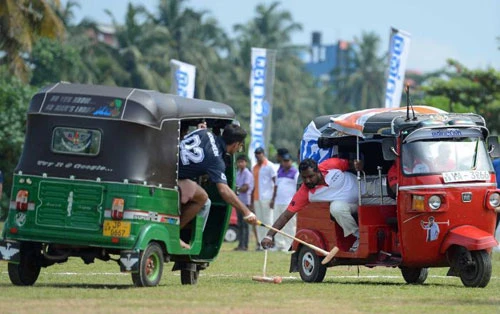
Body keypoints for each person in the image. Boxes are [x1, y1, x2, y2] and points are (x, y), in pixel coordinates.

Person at [178, 124, 257, 248]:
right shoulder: (217, 161)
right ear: (236, 144)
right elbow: (224, 190)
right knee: (203, 198)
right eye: (240, 146)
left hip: (165, 168)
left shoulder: (204, 132)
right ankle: (178, 234)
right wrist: (246, 212)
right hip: (172, 178)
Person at [261, 157, 362, 252]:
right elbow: (286, 215)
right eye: (304, 177)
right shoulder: (305, 192)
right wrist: (269, 236)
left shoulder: (330, 164)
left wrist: (357, 165)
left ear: (318, 171)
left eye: (310, 176)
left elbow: (351, 164)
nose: (307, 181)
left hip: (367, 193)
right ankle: (360, 238)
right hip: (351, 206)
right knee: (336, 208)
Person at [271, 153, 299, 251]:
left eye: (287, 161)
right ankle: (279, 245)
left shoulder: (295, 172)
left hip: (289, 202)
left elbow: (298, 188)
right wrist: (273, 199)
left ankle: (289, 245)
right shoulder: (279, 172)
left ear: (291, 161)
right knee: (277, 222)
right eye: (284, 161)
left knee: (290, 225)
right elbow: (276, 187)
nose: (286, 163)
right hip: (278, 201)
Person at [252, 147, 277, 250]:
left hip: (267, 197)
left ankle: (271, 244)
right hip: (257, 197)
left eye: (259, 153)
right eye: (256, 153)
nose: (258, 155)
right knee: (259, 222)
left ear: (263, 153)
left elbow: (276, 183)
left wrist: (273, 199)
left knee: (268, 221)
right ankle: (261, 244)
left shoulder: (270, 166)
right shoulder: (254, 167)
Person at [234, 155, 254, 251]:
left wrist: (235, 189)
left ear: (245, 163)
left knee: (245, 224)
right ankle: (240, 244)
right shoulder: (237, 173)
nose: (240, 164)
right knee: (240, 224)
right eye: (239, 162)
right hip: (238, 201)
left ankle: (245, 245)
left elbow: (245, 188)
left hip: (246, 202)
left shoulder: (247, 174)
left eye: (242, 162)